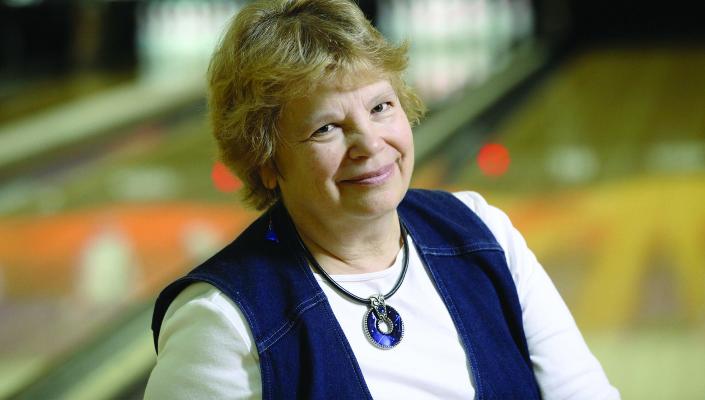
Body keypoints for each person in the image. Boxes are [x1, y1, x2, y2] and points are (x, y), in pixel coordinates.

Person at [145, 0, 619, 398]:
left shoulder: (481, 232)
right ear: (265, 160)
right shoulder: (221, 321)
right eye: (326, 127)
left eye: (380, 107)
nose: (369, 144)